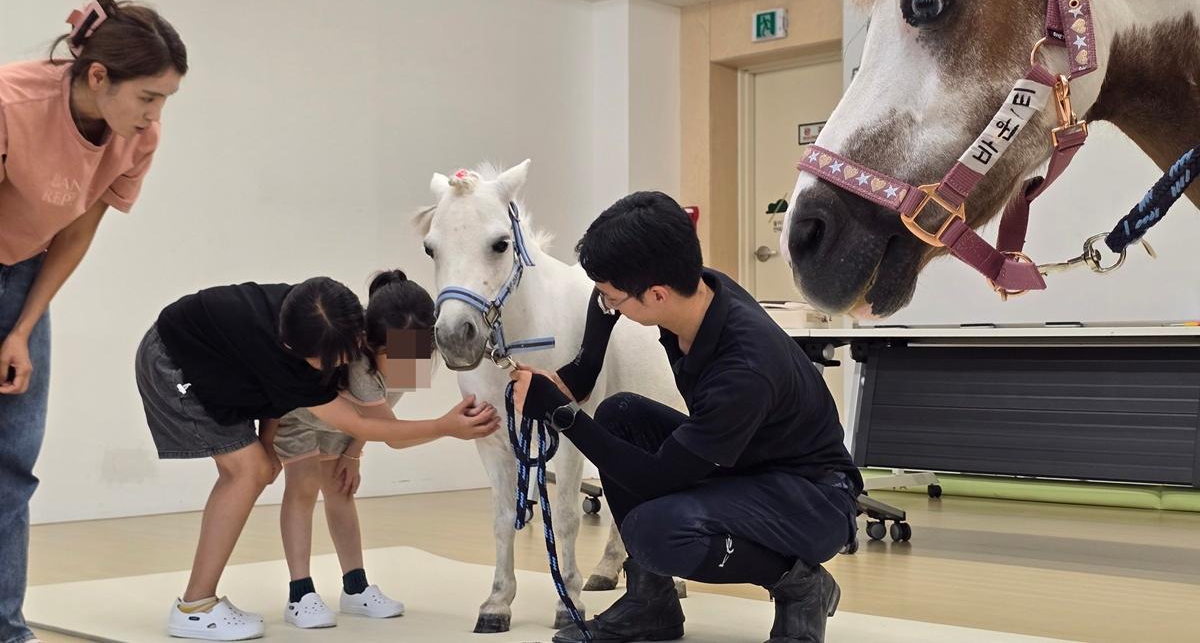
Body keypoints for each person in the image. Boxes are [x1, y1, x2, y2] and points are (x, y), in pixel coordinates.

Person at [510, 191, 862, 643]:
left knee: (656, 533)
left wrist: (561, 415)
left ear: (655, 294)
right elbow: (600, 316)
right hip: (747, 467)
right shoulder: (695, 291)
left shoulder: (744, 367)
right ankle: (651, 603)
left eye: (615, 296)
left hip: (812, 499)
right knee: (620, 414)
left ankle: (800, 585)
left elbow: (659, 479)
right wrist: (576, 376)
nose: (608, 305)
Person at [135, 276, 497, 640]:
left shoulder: (335, 320)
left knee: (263, 471)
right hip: (174, 359)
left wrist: (343, 451)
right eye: (323, 361)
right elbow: (360, 422)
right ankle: (196, 607)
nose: (332, 366)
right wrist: (444, 426)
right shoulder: (298, 362)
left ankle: (350, 586)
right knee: (248, 472)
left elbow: (369, 409)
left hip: (215, 355)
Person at [0, 0, 186, 643]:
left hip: (24, 270)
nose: (155, 115)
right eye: (149, 97)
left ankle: (7, 630)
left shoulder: (138, 137)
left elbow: (76, 231)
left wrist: (22, 328)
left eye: (166, 100)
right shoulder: (11, 103)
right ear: (99, 77)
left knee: (12, 463)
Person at [276, 270, 434, 629]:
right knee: (301, 488)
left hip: (346, 421)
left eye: (419, 351)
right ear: (370, 342)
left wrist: (352, 453)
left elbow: (381, 410)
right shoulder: (361, 362)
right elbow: (390, 430)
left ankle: (355, 586)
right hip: (300, 412)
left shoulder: (411, 351)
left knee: (341, 491)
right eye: (395, 354)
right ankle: (300, 593)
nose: (408, 363)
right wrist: (451, 427)